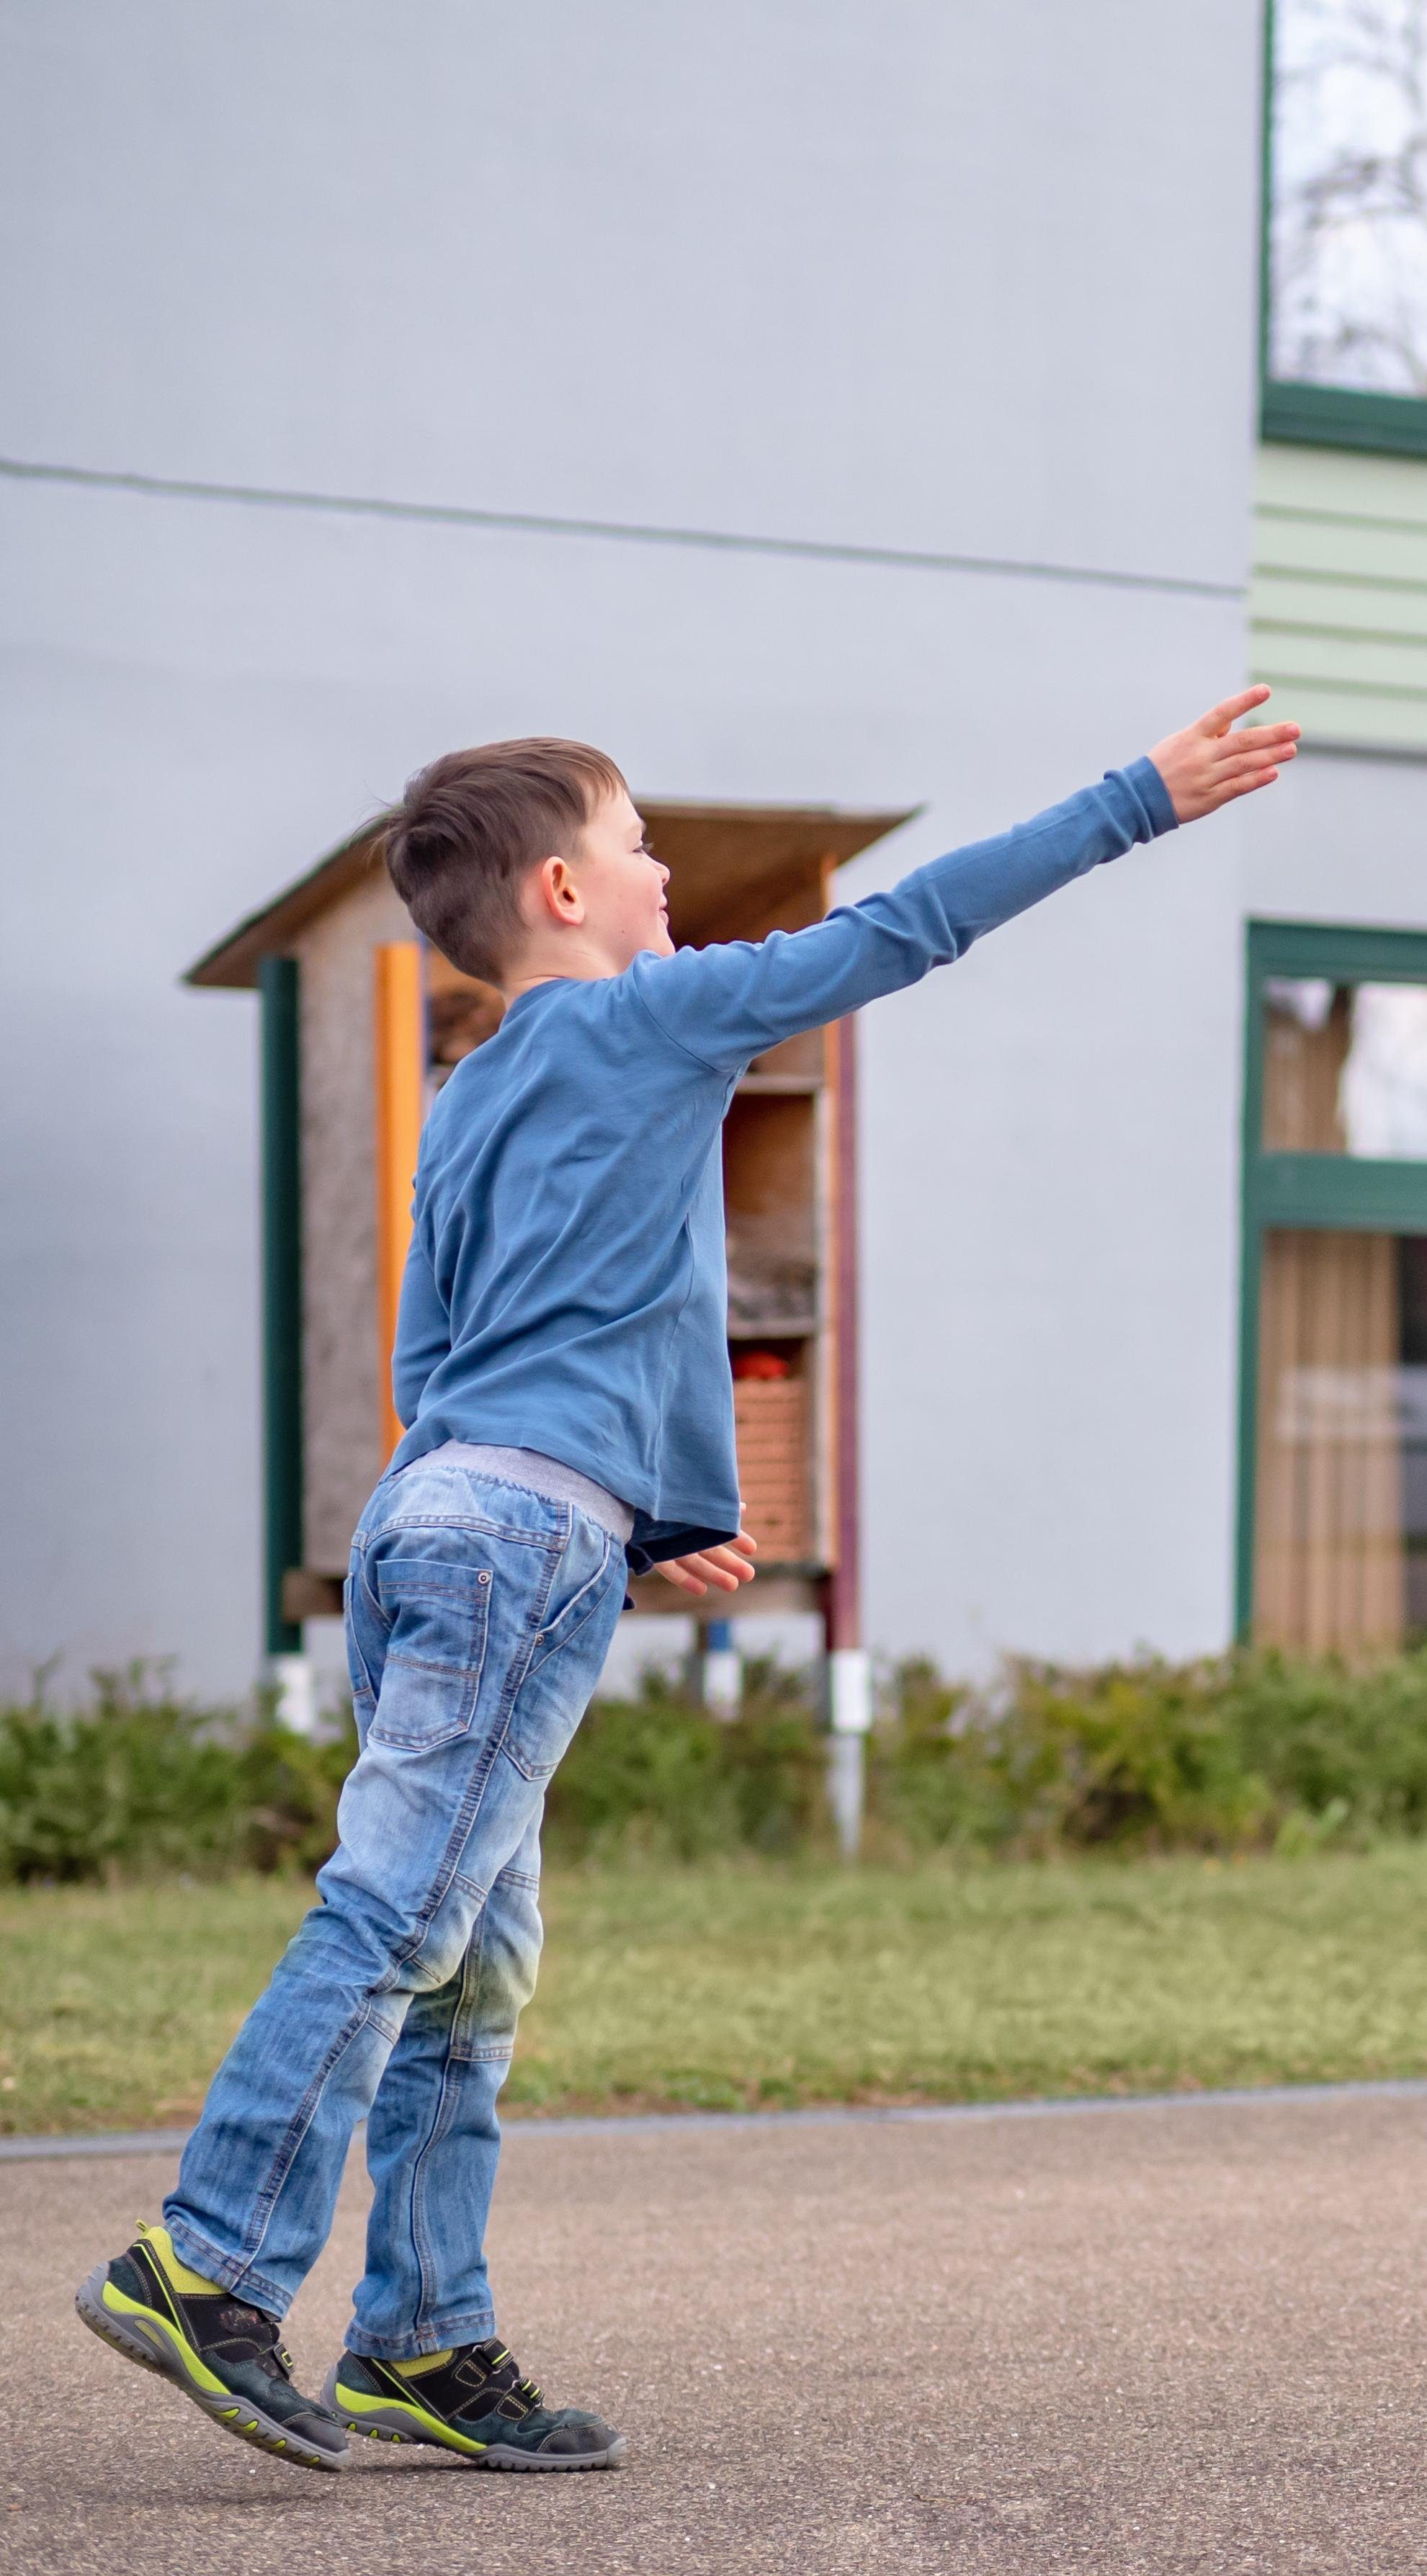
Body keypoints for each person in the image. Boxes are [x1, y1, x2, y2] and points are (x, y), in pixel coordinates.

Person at [77, 691, 1299, 2471]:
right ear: (569, 890)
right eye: (645, 844)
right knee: (403, 1917)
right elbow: (904, 928)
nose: (670, 875)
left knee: (470, 1961)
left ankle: (420, 2337)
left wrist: (635, 1511)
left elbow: (453, 1353)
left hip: (436, 1525)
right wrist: (1144, 799)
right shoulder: (648, 1021)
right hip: (513, 1543)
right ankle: (209, 2265)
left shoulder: (473, 1093)